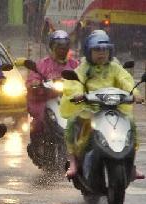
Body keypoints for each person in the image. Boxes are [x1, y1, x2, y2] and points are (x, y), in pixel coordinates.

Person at [61, 31, 144, 179]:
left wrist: (135, 94)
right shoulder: (83, 68)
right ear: (88, 51)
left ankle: (131, 165)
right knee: (72, 122)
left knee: (130, 123)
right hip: (90, 108)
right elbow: (74, 83)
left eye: (105, 50)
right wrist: (78, 94)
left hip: (114, 108)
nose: (101, 53)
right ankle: (73, 161)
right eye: (97, 50)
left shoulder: (114, 67)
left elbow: (126, 81)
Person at [26, 30, 78, 137]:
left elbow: (83, 76)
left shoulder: (75, 64)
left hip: (70, 101)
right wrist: (35, 83)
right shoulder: (42, 64)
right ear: (52, 47)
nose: (61, 49)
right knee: (39, 121)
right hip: (46, 100)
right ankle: (38, 140)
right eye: (58, 46)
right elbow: (33, 78)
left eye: (64, 46)